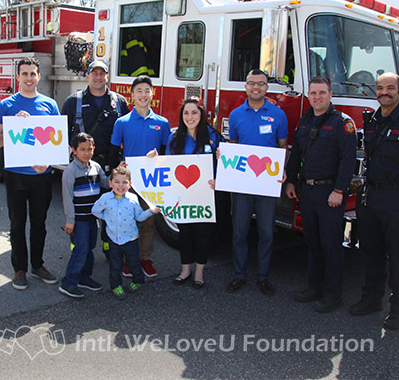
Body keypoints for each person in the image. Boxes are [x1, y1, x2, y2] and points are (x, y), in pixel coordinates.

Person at [349, 72, 399, 330]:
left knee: (397, 255)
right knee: (370, 252)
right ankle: (372, 299)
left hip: (398, 199)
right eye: (381, 88)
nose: (385, 92)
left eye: (390, 88)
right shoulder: (371, 121)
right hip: (371, 196)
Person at [285, 77, 357, 313]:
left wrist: (339, 190)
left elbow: (348, 161)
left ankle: (333, 294)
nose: (317, 97)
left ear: (330, 94)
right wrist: (292, 181)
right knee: (312, 242)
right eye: (313, 93)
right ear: (308, 95)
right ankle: (314, 287)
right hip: (307, 191)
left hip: (330, 194)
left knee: (331, 245)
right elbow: (296, 153)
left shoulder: (342, 123)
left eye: (322, 93)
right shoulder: (306, 121)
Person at [0, 58, 60, 290]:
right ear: (18, 77)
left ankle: (38, 265)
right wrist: (12, 125)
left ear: (39, 76)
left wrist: (48, 162)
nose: (29, 78)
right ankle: (19, 269)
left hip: (42, 175)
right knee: (17, 224)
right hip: (15, 174)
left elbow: (57, 141)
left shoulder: (49, 105)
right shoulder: (7, 105)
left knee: (39, 223)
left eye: (33, 74)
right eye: (25, 74)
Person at [225, 69, 289, 296]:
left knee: (266, 232)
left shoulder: (278, 115)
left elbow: (283, 147)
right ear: (245, 87)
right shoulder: (235, 115)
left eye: (261, 84)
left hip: (267, 184)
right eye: (251, 83)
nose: (256, 87)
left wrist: (282, 170)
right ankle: (239, 274)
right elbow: (233, 145)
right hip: (242, 184)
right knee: (239, 231)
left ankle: (263, 277)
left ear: (266, 88)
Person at [62, 60, 128, 257]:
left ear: (107, 76)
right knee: (82, 211)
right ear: (87, 76)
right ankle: (78, 249)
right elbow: (61, 133)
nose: (98, 77)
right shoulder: (73, 101)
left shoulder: (119, 101)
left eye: (102, 73)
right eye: (94, 73)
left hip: (110, 165)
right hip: (83, 166)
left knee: (111, 208)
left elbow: (126, 130)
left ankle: (108, 247)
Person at [109, 75, 170, 278]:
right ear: (132, 95)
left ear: (152, 94)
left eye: (147, 90)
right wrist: (118, 165)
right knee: (127, 221)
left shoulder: (162, 123)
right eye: (139, 91)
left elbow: (166, 152)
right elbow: (113, 150)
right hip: (128, 181)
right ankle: (128, 260)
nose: (143, 95)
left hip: (151, 181)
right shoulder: (122, 122)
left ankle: (145, 258)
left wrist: (157, 157)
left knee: (148, 221)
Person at [165, 97, 221, 288]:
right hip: (182, 195)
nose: (190, 117)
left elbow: (226, 166)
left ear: (201, 114)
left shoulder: (214, 136)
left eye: (194, 112)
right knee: (185, 233)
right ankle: (185, 270)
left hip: (206, 195)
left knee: (203, 234)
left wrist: (218, 177)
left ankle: (199, 272)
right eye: (186, 113)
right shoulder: (174, 138)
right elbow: (166, 166)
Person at [91, 166, 160, 299]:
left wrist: (150, 212)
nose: (120, 185)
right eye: (117, 182)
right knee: (116, 265)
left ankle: (138, 280)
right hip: (113, 239)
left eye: (124, 182)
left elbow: (139, 217)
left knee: (133, 262)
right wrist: (107, 218)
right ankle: (116, 286)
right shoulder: (105, 198)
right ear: (110, 183)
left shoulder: (133, 199)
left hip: (131, 239)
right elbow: (95, 211)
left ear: (130, 184)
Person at [59, 133, 109, 299]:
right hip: (79, 220)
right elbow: (67, 197)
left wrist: (120, 172)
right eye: (82, 149)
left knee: (89, 248)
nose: (87, 153)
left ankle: (84, 277)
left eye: (89, 149)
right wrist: (70, 221)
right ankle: (68, 283)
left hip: (92, 217)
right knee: (80, 250)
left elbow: (106, 183)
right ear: (74, 150)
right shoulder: (70, 171)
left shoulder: (95, 167)